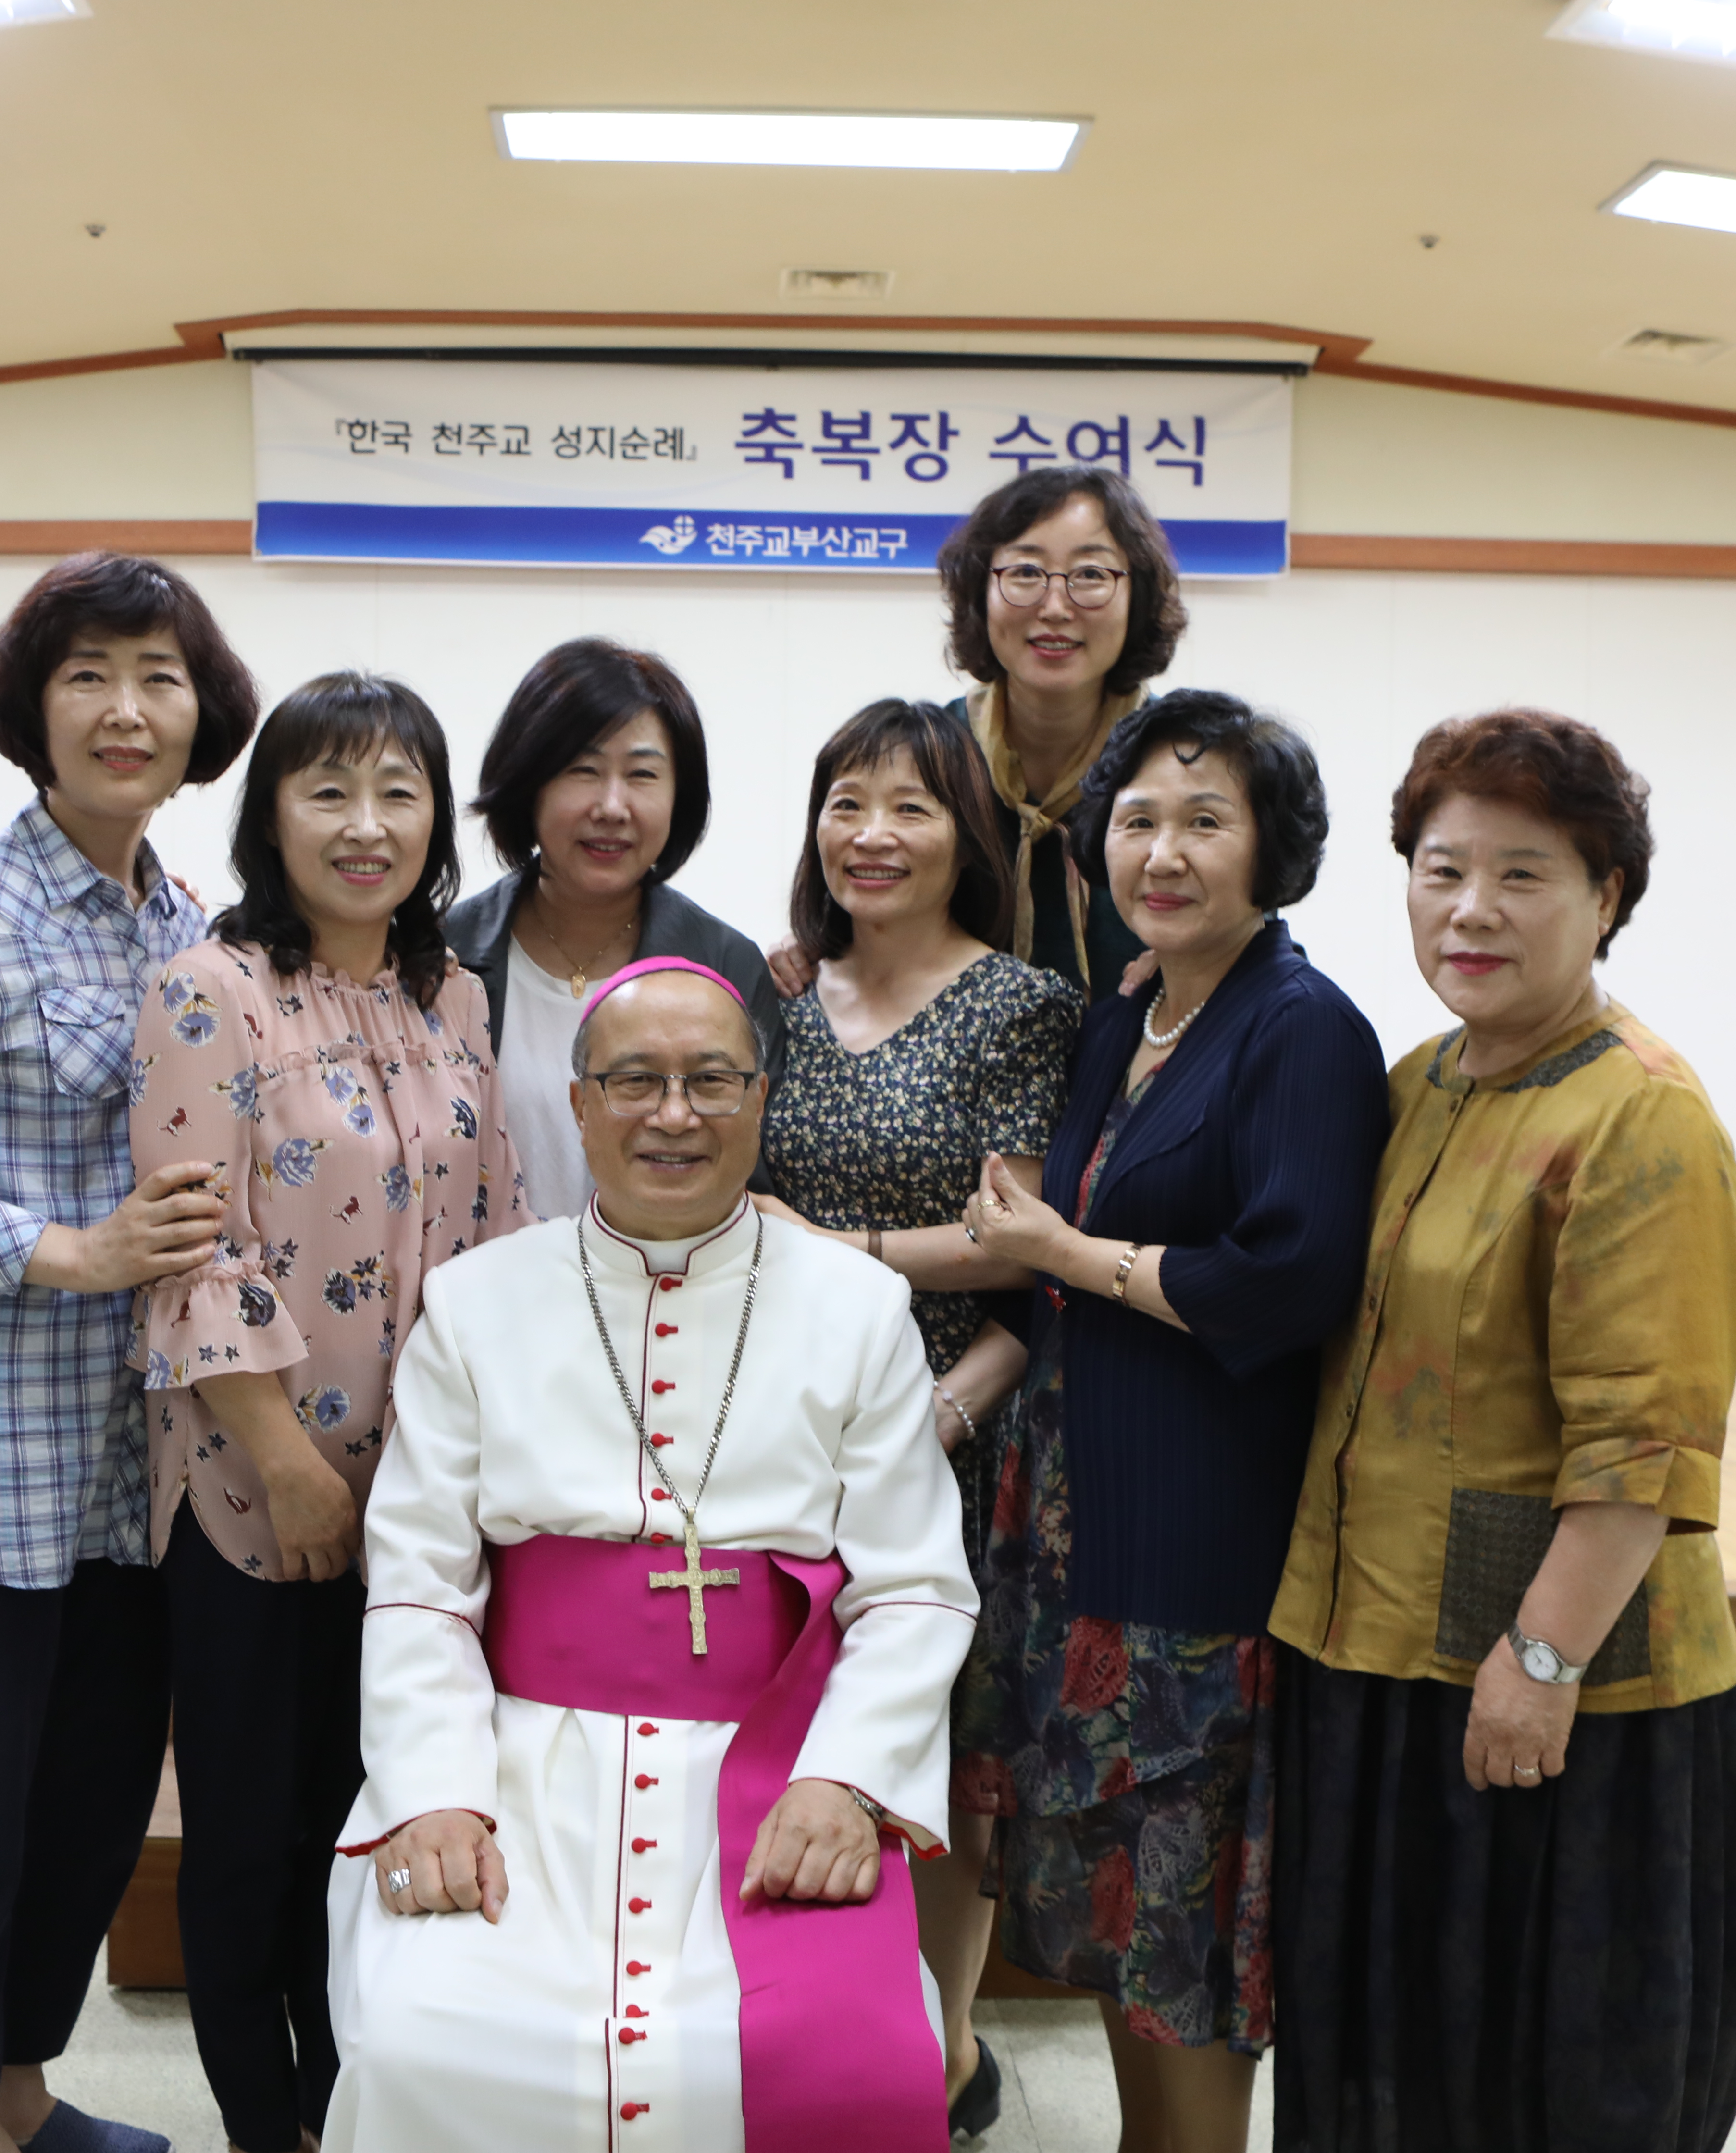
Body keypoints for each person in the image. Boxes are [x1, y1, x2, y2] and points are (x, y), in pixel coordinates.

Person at [322, 959, 978, 2153]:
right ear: (578, 1106)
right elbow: (418, 1585)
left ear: (761, 1099)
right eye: (635, 1081)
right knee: (427, 2040)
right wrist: (434, 1792)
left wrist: (847, 1780)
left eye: (711, 1082)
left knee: (854, 2056)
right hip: (522, 1770)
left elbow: (918, 1588)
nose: (674, 1114)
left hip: (779, 1766)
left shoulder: (859, 1307)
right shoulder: (474, 1304)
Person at [1265, 709, 1736, 2153]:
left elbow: (1639, 1449)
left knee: (1536, 2075)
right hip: (1377, 1650)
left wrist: (1536, 1663)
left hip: (1549, 1697)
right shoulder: (1420, 1081)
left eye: (1523, 872)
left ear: (1606, 895)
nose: (1469, 907)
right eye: (1439, 867)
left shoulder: (1640, 1120)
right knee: (1390, 2049)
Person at [0, 553, 255, 2153]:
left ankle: (19, 2091)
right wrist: (63, 1251)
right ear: (35, 707)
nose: (125, 708)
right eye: (88, 673)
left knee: (83, 1823)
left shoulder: (187, 924)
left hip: (128, 1472)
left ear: (200, 710)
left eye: (158, 674)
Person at [960, 690, 1389, 2153]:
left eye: (1205, 817)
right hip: (1087, 1534)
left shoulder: (1300, 1026)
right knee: (1127, 1931)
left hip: (1201, 1567)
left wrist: (1070, 1255)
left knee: (1190, 1953)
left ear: (1273, 844)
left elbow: (1286, 1279)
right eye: (1136, 816)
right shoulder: (1126, 1016)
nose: (1162, 847)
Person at [133, 671, 528, 2153]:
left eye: (398, 792)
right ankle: (266, 2124)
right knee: (248, 1833)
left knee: (369, 1816)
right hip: (258, 1489)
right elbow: (194, 1252)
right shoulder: (206, 989)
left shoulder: (453, 995)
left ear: (437, 816)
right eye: (328, 791)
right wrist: (290, 1464)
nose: (367, 826)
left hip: (420, 1498)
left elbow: (494, 1227)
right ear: (271, 814)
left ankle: (353, 2101)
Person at [747, 696, 1081, 2140]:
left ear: (967, 835)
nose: (872, 835)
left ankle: (940, 2047)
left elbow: (1015, 1241)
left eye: (910, 806)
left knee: (945, 1741)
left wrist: (829, 1249)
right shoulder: (768, 994)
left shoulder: (1021, 1003)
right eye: (845, 803)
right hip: (776, 1424)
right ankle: (805, 2016)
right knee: (790, 1719)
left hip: (956, 1418)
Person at [771, 466, 1193, 1004]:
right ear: (980, 590)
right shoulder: (928, 757)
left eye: (1090, 574)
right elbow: (852, 913)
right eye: (1025, 572)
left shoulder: (1185, 764)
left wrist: (1212, 960)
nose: (1056, 607)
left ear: (1138, 594)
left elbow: (1252, 930)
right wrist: (809, 951)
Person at [444, 635, 780, 1221]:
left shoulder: (724, 964)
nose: (612, 806)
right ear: (530, 784)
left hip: (668, 1296)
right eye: (583, 770)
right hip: (478, 1298)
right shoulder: (443, 954)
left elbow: (750, 1174)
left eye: (643, 775)